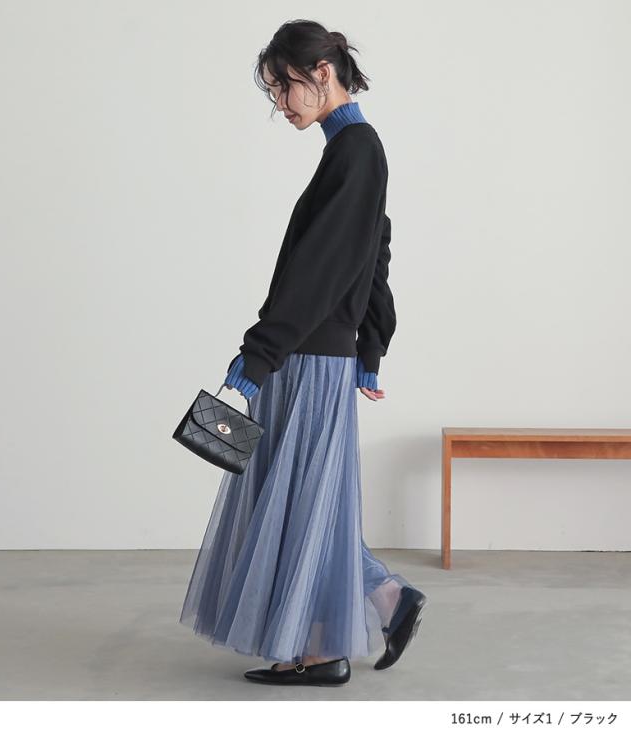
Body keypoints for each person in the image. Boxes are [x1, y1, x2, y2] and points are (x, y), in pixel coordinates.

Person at [179, 19, 427, 688]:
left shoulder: (356, 150)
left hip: (308, 355)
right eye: (272, 92)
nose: (280, 104)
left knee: (302, 499)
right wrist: (370, 347)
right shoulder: (350, 148)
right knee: (302, 497)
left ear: (322, 72)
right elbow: (373, 252)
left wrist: (261, 352)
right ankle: (366, 613)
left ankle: (331, 644)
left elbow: (329, 266)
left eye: (284, 87)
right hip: (313, 352)